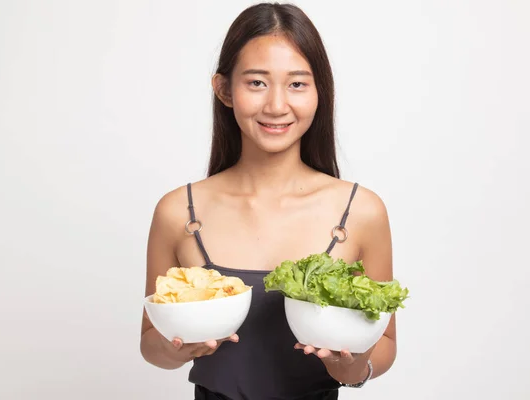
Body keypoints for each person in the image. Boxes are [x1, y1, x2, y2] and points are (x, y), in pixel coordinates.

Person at [140, 3, 397, 399]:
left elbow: (385, 344)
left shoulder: (361, 212)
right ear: (225, 90)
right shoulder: (177, 211)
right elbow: (150, 344)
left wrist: (351, 367)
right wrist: (179, 349)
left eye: (297, 84)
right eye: (257, 83)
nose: (277, 106)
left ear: (319, 92)